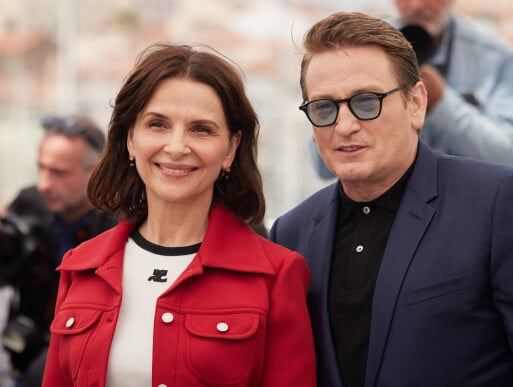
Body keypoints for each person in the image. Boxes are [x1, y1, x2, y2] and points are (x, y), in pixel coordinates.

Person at [270, 11, 513, 387]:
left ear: (416, 104)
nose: (345, 125)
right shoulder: (291, 233)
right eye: (324, 108)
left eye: (366, 102)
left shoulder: (499, 203)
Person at [42, 43, 316, 387]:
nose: (176, 147)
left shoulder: (277, 276)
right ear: (130, 139)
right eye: (157, 124)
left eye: (201, 129)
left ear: (231, 148)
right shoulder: (79, 267)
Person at [310, 0, 513, 179]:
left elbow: (510, 160)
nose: (416, 5)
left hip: (469, 209)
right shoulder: (360, 49)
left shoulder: (496, 58)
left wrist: (443, 103)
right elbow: (322, 165)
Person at [1, 114, 117, 386]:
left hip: (87, 356)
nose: (44, 184)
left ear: (96, 169)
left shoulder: (120, 224)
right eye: (41, 168)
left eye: (58, 172)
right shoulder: (30, 202)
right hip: (25, 347)